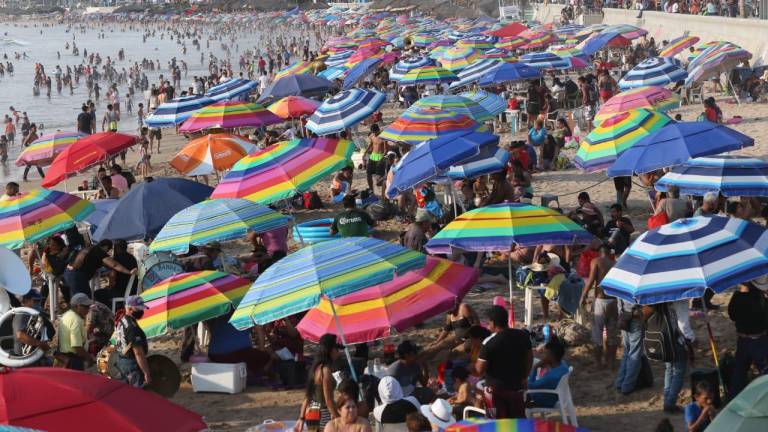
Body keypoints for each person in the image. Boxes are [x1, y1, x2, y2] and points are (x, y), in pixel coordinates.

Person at [475, 306, 533, 419]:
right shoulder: (522, 335)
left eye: (488, 322)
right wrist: (525, 377)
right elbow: (529, 358)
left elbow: (479, 370)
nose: (487, 326)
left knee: (496, 424)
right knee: (518, 422)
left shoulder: (489, 342)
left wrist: (470, 366)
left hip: (495, 391)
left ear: (493, 322)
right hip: (517, 387)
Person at [727, 281, 768, 397]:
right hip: (760, 340)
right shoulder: (760, 296)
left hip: (743, 340)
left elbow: (732, 315)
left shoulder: (737, 297)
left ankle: (733, 400)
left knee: (739, 373)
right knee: (764, 372)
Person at [580, 244, 618, 368]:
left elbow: (591, 281)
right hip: (613, 301)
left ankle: (598, 363)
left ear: (600, 252)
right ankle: (611, 362)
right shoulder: (615, 264)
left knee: (597, 333)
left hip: (600, 300)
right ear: (609, 253)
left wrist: (583, 296)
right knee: (611, 334)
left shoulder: (596, 261)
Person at [63, 239, 136, 301]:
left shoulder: (90, 248)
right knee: (85, 299)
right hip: (76, 276)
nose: (107, 252)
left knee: (77, 298)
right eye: (108, 250)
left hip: (69, 272)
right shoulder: (99, 252)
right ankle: (86, 316)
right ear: (106, 247)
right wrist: (129, 272)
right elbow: (114, 265)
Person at [296, 334, 342, 432]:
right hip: (323, 413)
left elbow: (307, 396)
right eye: (337, 349)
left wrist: (301, 418)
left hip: (312, 411)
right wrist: (339, 419)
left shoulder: (315, 368)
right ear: (331, 351)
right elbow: (328, 401)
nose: (339, 352)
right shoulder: (325, 371)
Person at [114, 295, 151, 387]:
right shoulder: (132, 328)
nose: (141, 312)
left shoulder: (122, 320)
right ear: (130, 309)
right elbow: (138, 352)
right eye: (138, 310)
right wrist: (146, 372)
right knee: (138, 394)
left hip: (121, 360)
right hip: (131, 364)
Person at [615, 298, 648, 395]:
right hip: (634, 318)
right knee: (634, 353)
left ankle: (620, 382)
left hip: (623, 317)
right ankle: (627, 386)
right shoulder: (634, 284)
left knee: (627, 352)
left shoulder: (620, 283)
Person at [527, 337, 570, 408]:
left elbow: (531, 386)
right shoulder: (562, 364)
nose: (542, 356)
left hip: (547, 401)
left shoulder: (551, 377)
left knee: (521, 395)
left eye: (544, 354)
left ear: (551, 357)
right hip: (556, 397)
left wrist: (535, 368)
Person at [56, 293, 92, 370]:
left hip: (65, 358)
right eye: (86, 307)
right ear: (77, 306)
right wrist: (88, 357)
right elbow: (77, 346)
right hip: (73, 361)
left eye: (89, 307)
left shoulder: (67, 315)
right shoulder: (76, 320)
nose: (88, 310)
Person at [13, 290, 50, 362]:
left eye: (39, 301)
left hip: (33, 355)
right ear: (26, 300)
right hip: (24, 357)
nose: (38, 303)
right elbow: (20, 335)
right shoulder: (22, 314)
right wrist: (39, 344)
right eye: (35, 301)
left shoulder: (32, 314)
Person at [365, 124, 387, 195]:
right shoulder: (371, 135)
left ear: (379, 129)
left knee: (378, 179)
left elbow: (385, 150)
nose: (374, 133)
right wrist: (364, 153)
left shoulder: (383, 137)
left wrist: (382, 158)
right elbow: (371, 144)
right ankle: (371, 190)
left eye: (375, 132)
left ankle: (384, 188)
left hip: (380, 157)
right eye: (373, 132)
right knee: (368, 174)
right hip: (372, 156)